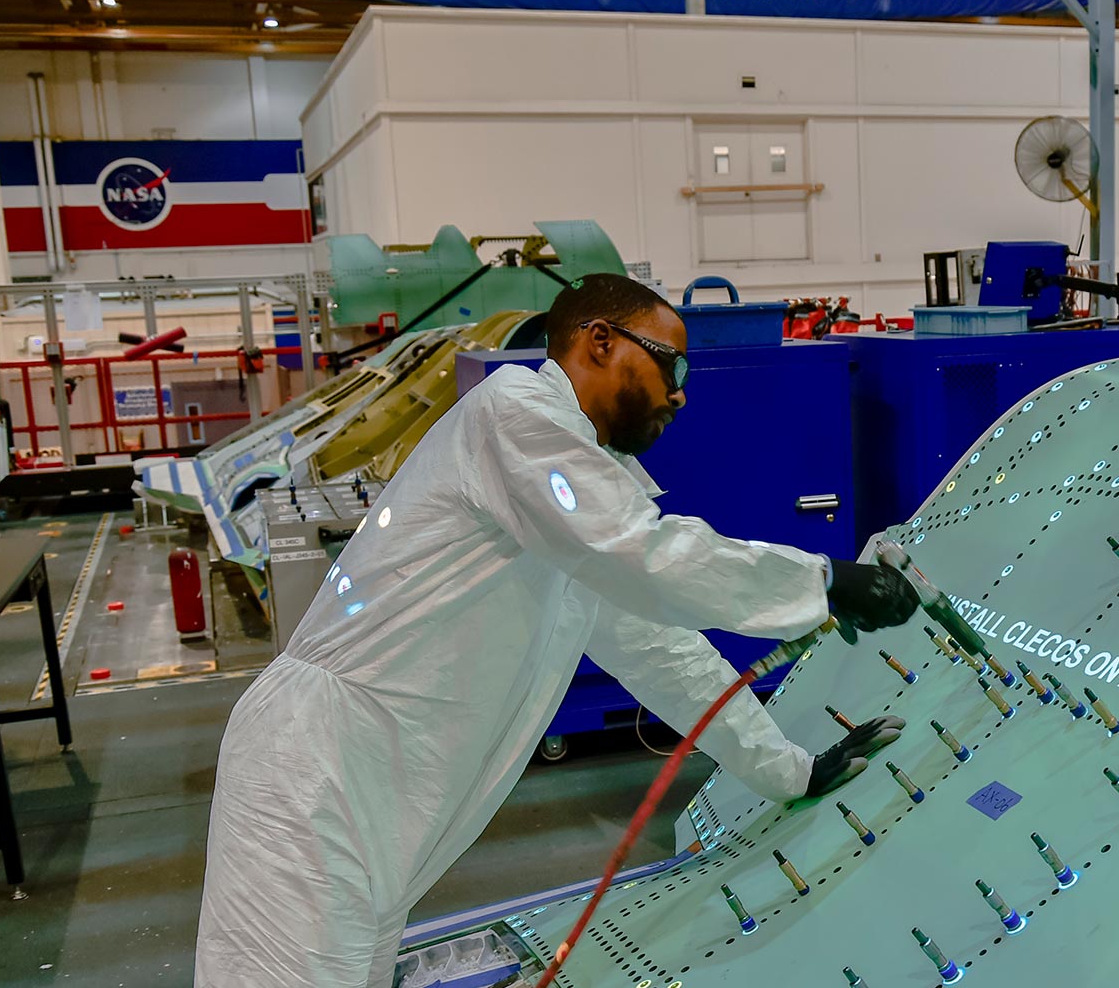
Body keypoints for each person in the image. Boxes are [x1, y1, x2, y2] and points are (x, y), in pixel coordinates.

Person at [195, 273, 919, 987]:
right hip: (313, 776)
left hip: (375, 799)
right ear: (600, 342)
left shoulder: (565, 499)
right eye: (671, 365)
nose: (680, 393)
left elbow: (664, 653)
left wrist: (788, 771)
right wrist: (823, 582)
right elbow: (643, 551)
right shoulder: (514, 412)